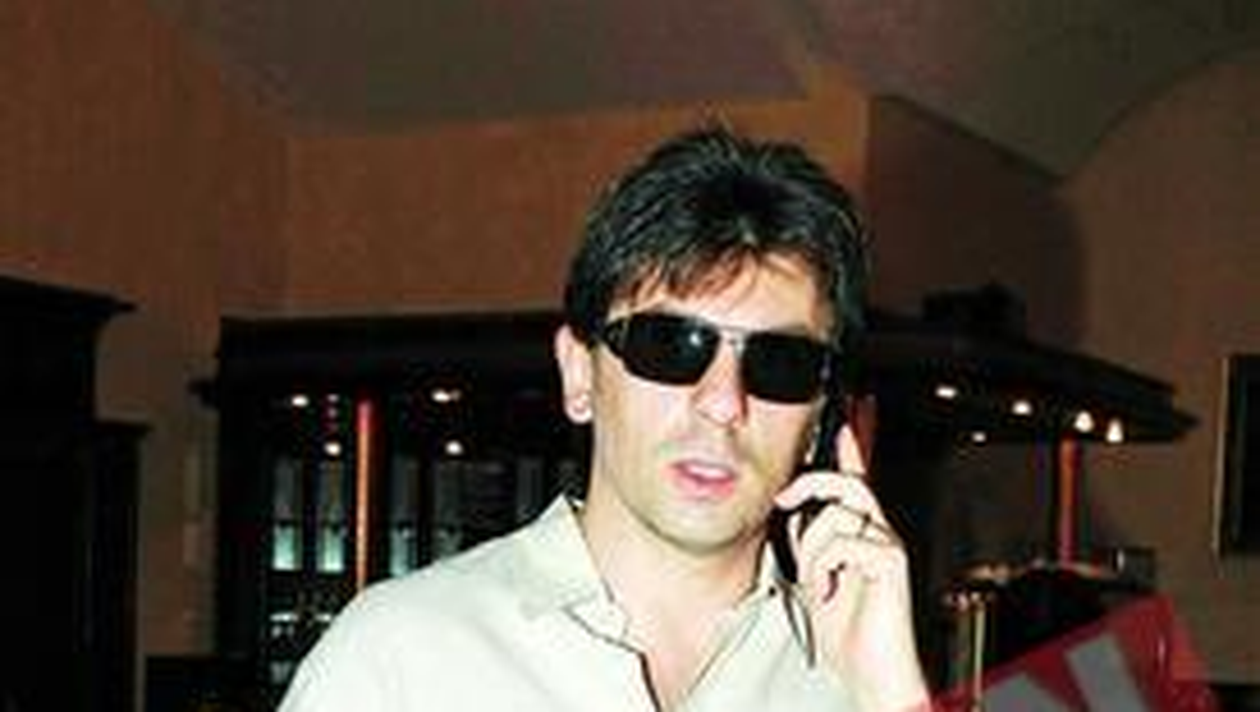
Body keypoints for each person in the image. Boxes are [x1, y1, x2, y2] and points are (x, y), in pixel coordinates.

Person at [278, 126, 929, 711]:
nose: (723, 402)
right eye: (670, 346)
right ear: (580, 374)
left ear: (819, 414)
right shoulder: (401, 661)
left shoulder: (854, 674)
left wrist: (893, 697)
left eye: (780, 363)